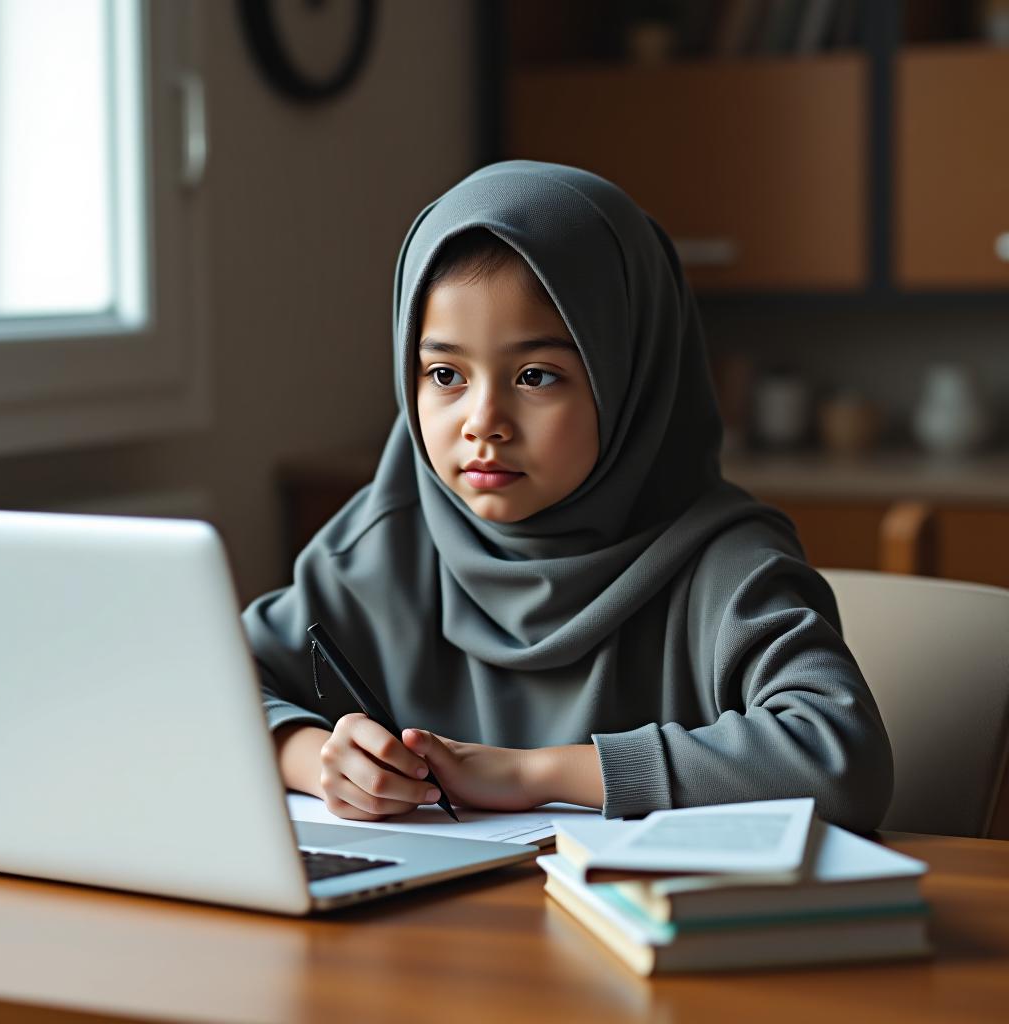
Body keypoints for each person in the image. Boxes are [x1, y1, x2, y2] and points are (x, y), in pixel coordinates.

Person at [242, 160, 894, 832]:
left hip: (635, 929)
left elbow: (842, 761)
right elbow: (209, 689)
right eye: (444, 373)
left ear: (629, 379)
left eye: (535, 376)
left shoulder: (725, 563)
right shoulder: (383, 540)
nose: (483, 421)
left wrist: (534, 774)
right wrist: (316, 755)